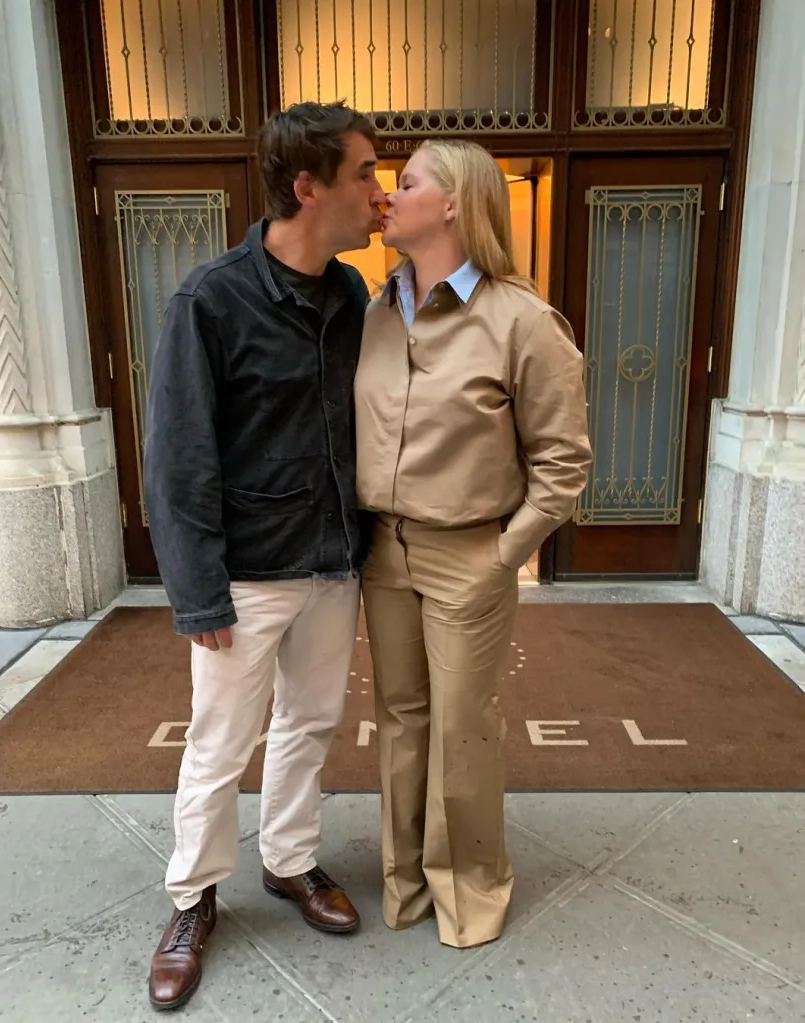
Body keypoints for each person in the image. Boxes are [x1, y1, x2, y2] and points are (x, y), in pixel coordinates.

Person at [143, 101, 385, 1011]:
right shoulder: (210, 298)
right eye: (364, 172)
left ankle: (288, 861)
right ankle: (192, 895)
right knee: (219, 744)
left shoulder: (350, 294)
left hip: (331, 558)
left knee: (312, 724)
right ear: (307, 185)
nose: (378, 191)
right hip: (244, 572)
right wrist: (197, 592)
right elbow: (177, 456)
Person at [355, 140, 593, 950]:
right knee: (399, 720)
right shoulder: (375, 309)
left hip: (470, 552)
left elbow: (563, 462)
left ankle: (471, 890)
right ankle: (406, 879)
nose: (388, 194)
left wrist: (504, 551)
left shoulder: (522, 320)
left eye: (407, 180)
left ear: (454, 201)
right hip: (383, 551)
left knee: (461, 725)